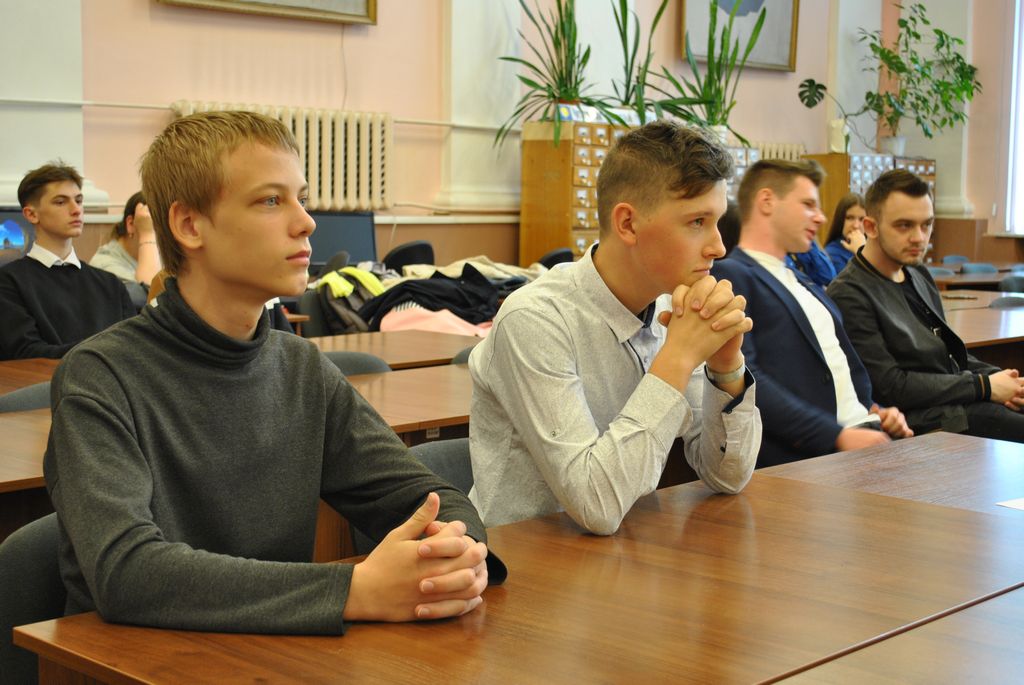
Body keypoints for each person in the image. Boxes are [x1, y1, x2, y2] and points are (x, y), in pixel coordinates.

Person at [44, 110, 505, 635]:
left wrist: (459, 553)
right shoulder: (100, 376)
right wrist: (352, 591)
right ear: (189, 225)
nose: (306, 222)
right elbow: (127, 573)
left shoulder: (300, 367)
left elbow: (428, 498)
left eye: (301, 198)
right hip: (131, 661)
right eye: (270, 200)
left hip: (272, 654)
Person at [469, 120, 761, 534]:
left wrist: (726, 366)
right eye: (697, 221)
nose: (718, 247)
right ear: (627, 224)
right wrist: (677, 359)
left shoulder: (673, 308)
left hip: (629, 551)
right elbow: (597, 506)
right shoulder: (535, 319)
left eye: (717, 221)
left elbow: (727, 476)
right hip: (523, 557)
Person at [711, 160, 911, 467]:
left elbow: (834, 364)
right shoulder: (733, 274)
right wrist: (837, 436)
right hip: (815, 452)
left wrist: (874, 409)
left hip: (866, 431)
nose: (821, 217)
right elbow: (746, 379)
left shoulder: (801, 279)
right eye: (808, 204)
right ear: (767, 201)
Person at [828, 169, 1024, 441]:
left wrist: (1003, 380)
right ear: (870, 227)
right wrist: (984, 386)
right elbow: (891, 387)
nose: (920, 237)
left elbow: (949, 356)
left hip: (954, 400)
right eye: (904, 225)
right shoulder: (849, 293)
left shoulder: (917, 273)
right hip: (918, 421)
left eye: (926, 224)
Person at [0, 162, 134, 360]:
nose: (76, 210)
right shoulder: (8, 282)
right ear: (31, 214)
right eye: (61, 202)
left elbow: (134, 347)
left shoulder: (111, 284)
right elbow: (25, 354)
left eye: (78, 200)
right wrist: (104, 352)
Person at [90, 191, 162, 308]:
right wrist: (147, 234)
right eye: (154, 226)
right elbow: (153, 302)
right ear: (131, 224)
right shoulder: (104, 265)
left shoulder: (161, 257)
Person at [823, 192, 867, 273]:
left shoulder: (873, 249)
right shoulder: (832, 253)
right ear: (840, 220)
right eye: (850, 218)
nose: (856, 226)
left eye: (861, 219)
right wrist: (860, 253)